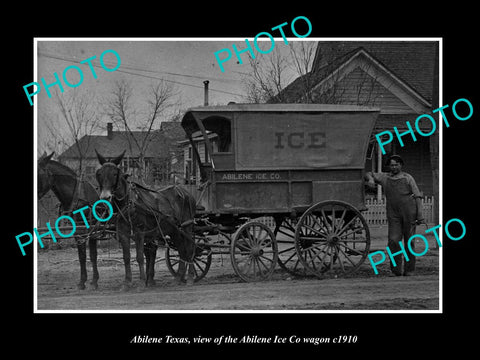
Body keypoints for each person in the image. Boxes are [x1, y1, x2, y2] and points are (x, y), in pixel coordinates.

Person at [366, 155, 424, 276]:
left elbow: (417, 196)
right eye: (392, 165)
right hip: (393, 214)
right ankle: (396, 270)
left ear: (401, 165)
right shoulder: (385, 177)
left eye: (396, 165)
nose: (394, 167)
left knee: (409, 241)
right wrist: (371, 180)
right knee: (393, 240)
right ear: (389, 166)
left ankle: (409, 270)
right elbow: (368, 173)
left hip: (409, 212)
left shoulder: (408, 178)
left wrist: (420, 215)